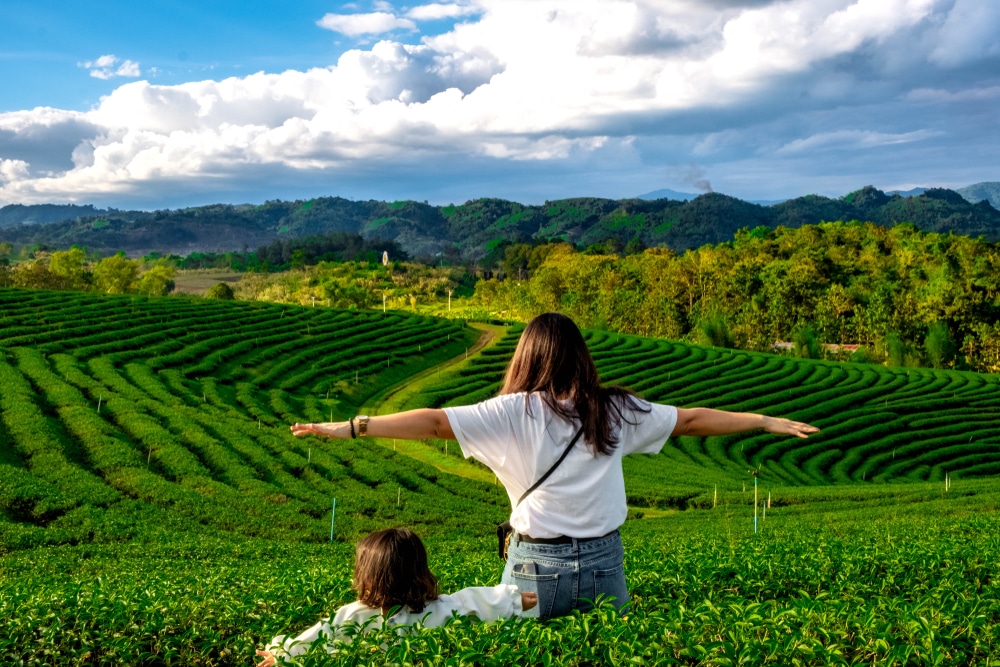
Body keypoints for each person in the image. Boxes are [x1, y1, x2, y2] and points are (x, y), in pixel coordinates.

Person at [291, 312, 818, 619]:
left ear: (525, 357)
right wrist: (765, 420)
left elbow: (431, 423)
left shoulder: (509, 412)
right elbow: (692, 420)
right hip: (605, 566)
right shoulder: (614, 408)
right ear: (580, 357)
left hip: (532, 568)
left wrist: (353, 426)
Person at [255, 527, 537, 666]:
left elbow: (316, 637)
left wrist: (281, 653)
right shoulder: (442, 608)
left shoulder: (353, 615)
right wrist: (521, 600)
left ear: (367, 576)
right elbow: (479, 602)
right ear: (419, 571)